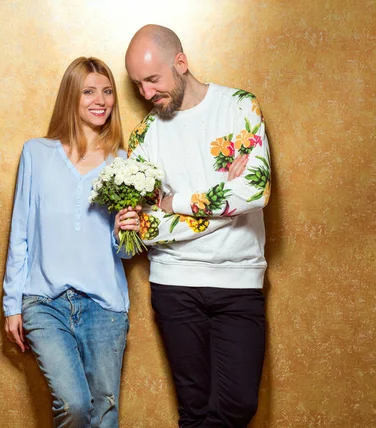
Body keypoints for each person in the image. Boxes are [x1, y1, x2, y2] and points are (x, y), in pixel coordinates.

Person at [125, 25, 272, 427]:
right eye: (138, 85)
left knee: (237, 406)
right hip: (174, 285)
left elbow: (254, 193)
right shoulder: (144, 136)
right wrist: (223, 202)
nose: (147, 94)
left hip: (239, 281)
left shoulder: (240, 106)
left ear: (181, 63)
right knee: (194, 411)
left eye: (153, 80)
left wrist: (174, 203)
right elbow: (146, 228)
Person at [2, 57, 140, 428]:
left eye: (108, 91)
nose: (101, 100)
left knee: (105, 411)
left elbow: (125, 251)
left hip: (104, 305)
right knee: (75, 405)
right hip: (45, 302)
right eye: (89, 91)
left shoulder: (122, 162)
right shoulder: (36, 153)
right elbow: (21, 233)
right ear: (71, 97)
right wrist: (11, 304)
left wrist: (125, 231)